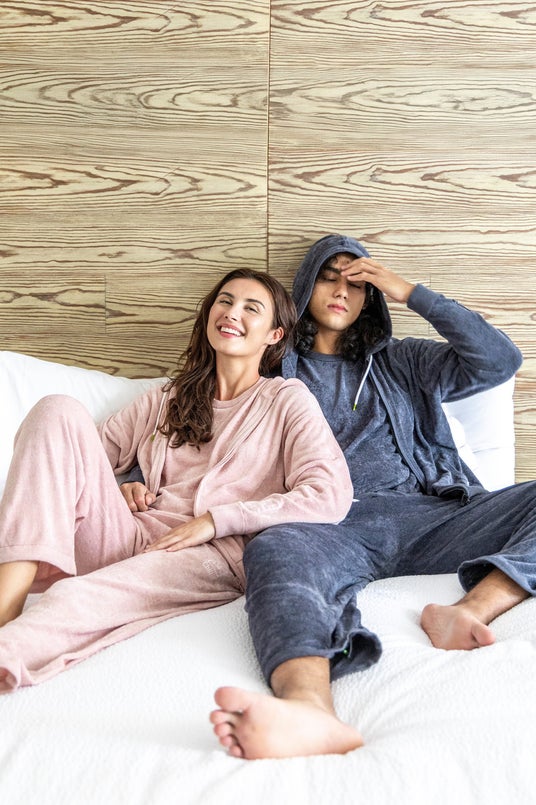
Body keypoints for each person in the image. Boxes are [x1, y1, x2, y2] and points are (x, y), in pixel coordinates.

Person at [205, 234, 536, 760]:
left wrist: (409, 292)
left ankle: (470, 609)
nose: (342, 291)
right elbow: (192, 417)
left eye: (356, 283)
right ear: (304, 288)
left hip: (432, 517)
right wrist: (132, 473)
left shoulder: (403, 361)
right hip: (330, 529)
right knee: (271, 548)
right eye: (328, 278)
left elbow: (500, 360)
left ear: (371, 298)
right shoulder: (268, 366)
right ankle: (308, 708)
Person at [0, 268, 353, 691]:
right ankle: (6, 605)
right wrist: (121, 485)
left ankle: (9, 650)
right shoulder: (166, 398)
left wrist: (216, 520)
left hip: (205, 556)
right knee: (56, 409)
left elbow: (330, 493)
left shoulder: (286, 401)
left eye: (251, 308)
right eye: (225, 301)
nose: (232, 312)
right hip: (129, 535)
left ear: (274, 335)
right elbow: (74, 456)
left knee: (74, 597)